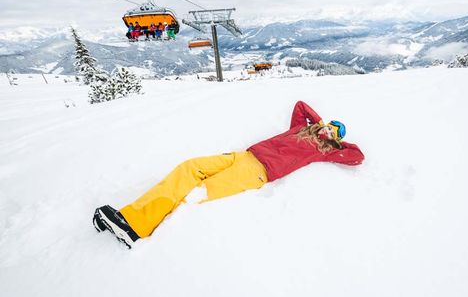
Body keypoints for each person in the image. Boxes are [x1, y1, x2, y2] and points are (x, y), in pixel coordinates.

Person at [93, 101, 365, 248]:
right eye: (329, 127)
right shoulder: (300, 129)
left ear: (336, 141)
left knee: (197, 194)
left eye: (334, 133)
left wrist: (335, 143)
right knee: (189, 167)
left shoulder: (323, 151)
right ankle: (130, 218)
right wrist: (318, 123)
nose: (328, 132)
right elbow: (300, 106)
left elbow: (357, 156)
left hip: (257, 172)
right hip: (242, 156)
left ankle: (137, 231)